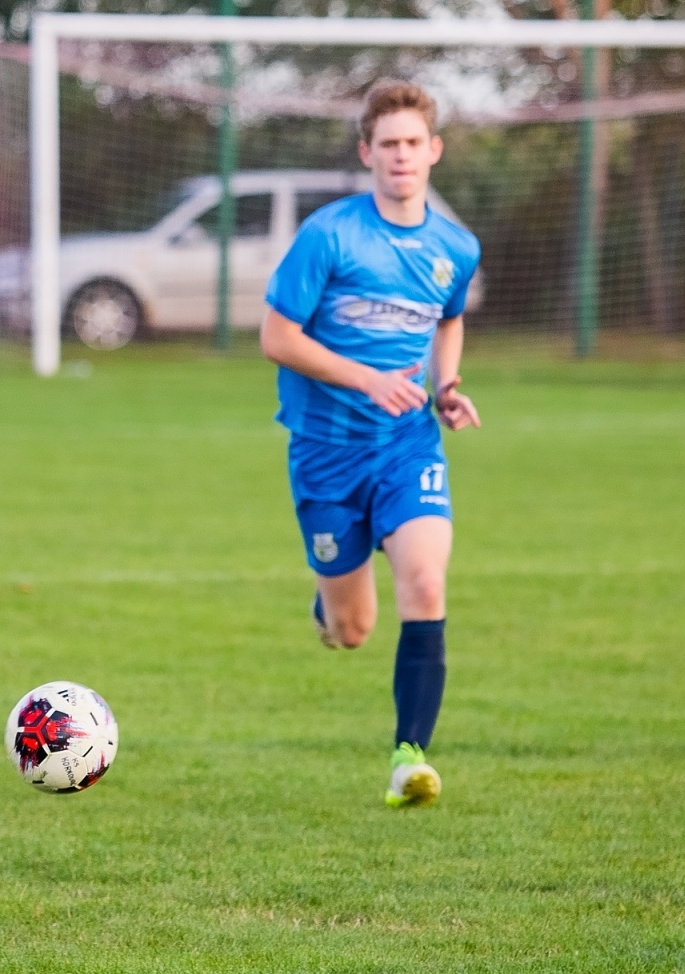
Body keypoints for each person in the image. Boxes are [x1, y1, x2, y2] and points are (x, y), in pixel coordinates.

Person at [259, 82, 481, 809]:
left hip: (406, 448)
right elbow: (277, 337)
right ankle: (330, 608)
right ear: (367, 153)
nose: (402, 156)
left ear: (434, 151)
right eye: (388, 144)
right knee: (352, 630)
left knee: (426, 584)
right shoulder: (330, 235)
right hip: (325, 454)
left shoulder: (456, 247)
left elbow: (447, 320)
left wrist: (444, 386)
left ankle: (408, 758)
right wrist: (368, 379)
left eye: (414, 142)